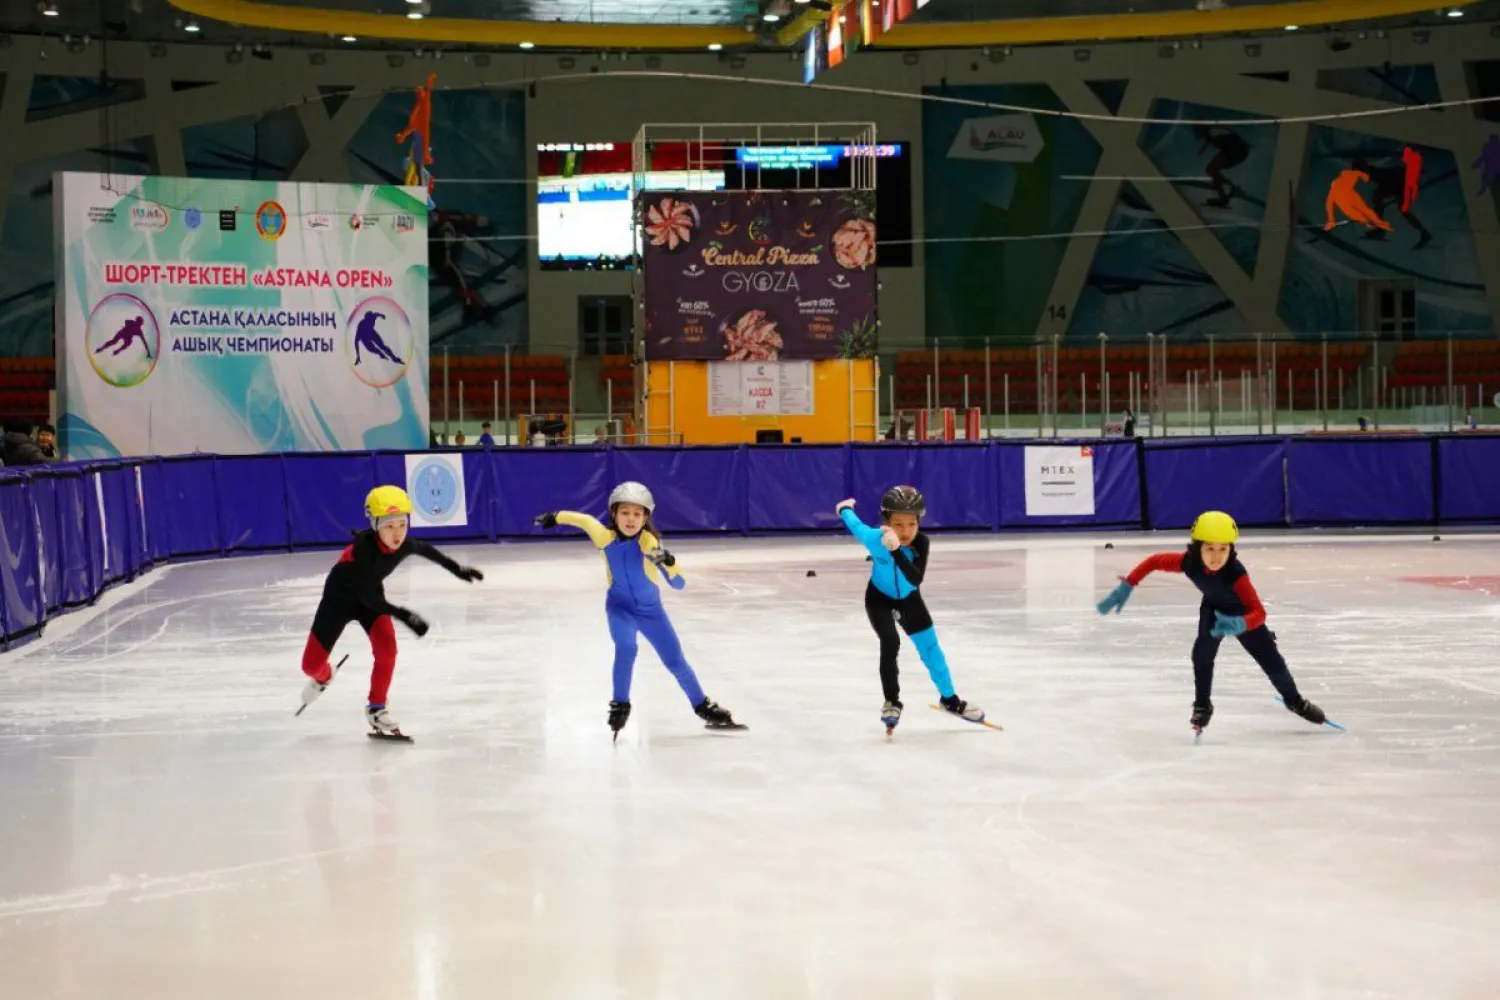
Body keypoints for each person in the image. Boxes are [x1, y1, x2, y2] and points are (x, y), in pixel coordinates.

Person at [533, 482, 740, 739]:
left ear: (645, 518)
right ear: (614, 514)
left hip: (652, 613)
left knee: (676, 661)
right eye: (625, 512)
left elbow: (679, 584)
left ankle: (702, 706)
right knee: (626, 648)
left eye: (637, 514)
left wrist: (670, 563)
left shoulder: (648, 542)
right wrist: (556, 517)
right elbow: (585, 521)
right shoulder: (604, 537)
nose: (631, 519)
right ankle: (620, 704)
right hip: (620, 609)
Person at [1095, 510, 1329, 735]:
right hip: (1214, 610)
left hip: (1244, 616)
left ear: (1231, 549)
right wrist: (1129, 584)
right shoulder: (1190, 563)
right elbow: (1154, 561)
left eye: (1223, 549)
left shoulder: (1236, 574)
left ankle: (1295, 701)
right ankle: (1202, 705)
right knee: (1202, 655)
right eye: (1209, 548)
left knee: (1272, 662)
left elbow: (1259, 611)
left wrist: (1240, 624)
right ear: (1198, 548)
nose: (1216, 556)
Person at [297, 485, 483, 738]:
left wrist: (457, 569)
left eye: (402, 524)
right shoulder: (362, 552)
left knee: (387, 650)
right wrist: (405, 615)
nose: (397, 534)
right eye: (389, 526)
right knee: (310, 666)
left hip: (371, 600)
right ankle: (326, 675)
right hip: (339, 601)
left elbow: (428, 551)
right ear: (375, 526)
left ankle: (377, 708)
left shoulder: (404, 543)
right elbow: (368, 598)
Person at [837, 487, 985, 735]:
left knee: (931, 650)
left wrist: (895, 551)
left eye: (911, 525)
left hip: (909, 599)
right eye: (898, 524)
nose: (905, 532)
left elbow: (915, 579)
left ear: (919, 523)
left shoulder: (921, 544)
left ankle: (950, 700)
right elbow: (855, 525)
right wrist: (845, 509)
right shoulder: (874, 539)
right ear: (886, 522)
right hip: (879, 599)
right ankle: (892, 702)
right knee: (890, 642)